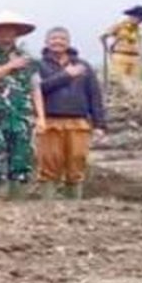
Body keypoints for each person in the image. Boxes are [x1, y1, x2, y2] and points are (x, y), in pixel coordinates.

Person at [0, 11, 45, 201]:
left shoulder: (28, 57)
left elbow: (35, 88)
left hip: (22, 115)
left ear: (17, 34)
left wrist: (41, 117)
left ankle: (18, 202)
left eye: (11, 31)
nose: (6, 34)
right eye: (2, 31)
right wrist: (10, 66)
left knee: (22, 159)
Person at [38, 27, 106, 199]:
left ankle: (74, 208)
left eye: (62, 38)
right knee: (49, 163)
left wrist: (99, 124)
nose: (58, 42)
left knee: (77, 161)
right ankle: (49, 207)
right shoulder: (38, 65)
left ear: (68, 42)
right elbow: (38, 89)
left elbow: (94, 95)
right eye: (53, 38)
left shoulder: (83, 66)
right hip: (50, 121)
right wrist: (66, 75)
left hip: (79, 122)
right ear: (46, 42)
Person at [101, 5, 142, 86]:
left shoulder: (139, 30)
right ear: (133, 16)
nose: (141, 20)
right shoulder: (120, 25)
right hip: (120, 56)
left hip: (135, 58)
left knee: (135, 83)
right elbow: (103, 36)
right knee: (119, 81)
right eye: (139, 18)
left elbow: (140, 43)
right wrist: (107, 49)